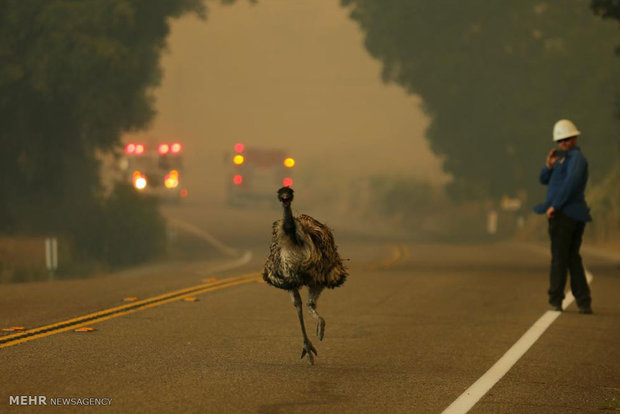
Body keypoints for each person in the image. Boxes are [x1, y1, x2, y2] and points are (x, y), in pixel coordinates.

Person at [533, 119, 592, 314]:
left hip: (567, 215)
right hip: (565, 214)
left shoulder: (576, 160)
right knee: (572, 258)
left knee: (559, 258)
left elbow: (571, 185)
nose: (564, 143)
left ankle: (556, 299)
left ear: (575, 138)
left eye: (567, 139)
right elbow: (543, 179)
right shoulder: (561, 160)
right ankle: (583, 300)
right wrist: (548, 165)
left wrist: (555, 206)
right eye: (561, 140)